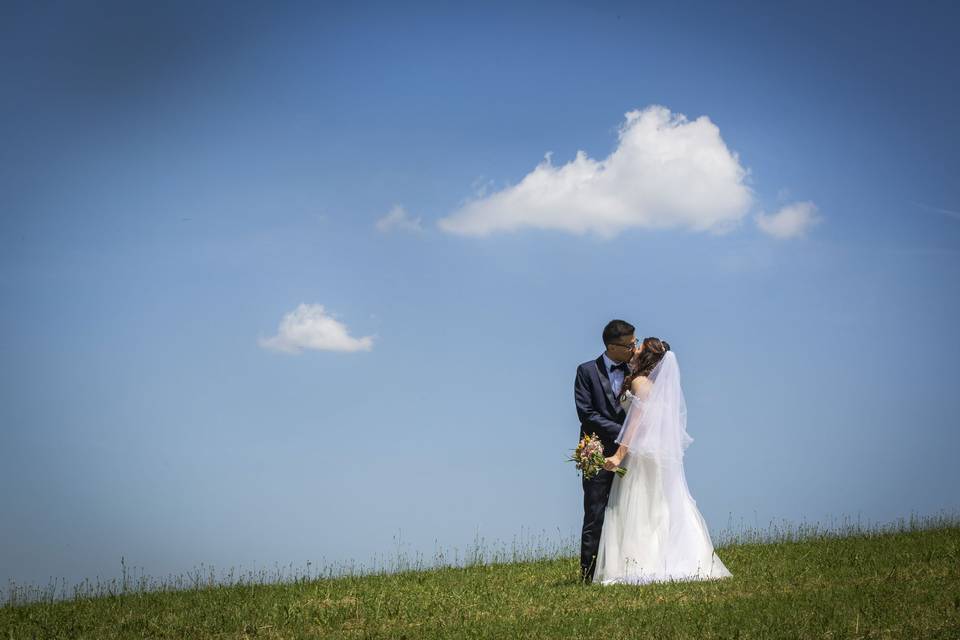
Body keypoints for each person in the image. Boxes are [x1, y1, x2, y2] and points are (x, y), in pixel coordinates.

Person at [592, 338, 733, 585]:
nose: (635, 350)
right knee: (659, 505)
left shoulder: (639, 382)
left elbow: (634, 425)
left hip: (641, 456)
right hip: (655, 454)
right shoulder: (656, 386)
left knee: (640, 507)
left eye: (640, 348)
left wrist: (618, 455)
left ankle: (640, 562)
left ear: (647, 358)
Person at [574, 319, 638, 584]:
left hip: (632, 454)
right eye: (629, 345)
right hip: (599, 452)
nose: (634, 349)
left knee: (630, 510)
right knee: (595, 512)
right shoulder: (586, 371)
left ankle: (625, 569)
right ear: (612, 347)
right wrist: (621, 431)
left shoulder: (636, 371)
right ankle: (588, 575)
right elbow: (586, 413)